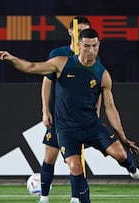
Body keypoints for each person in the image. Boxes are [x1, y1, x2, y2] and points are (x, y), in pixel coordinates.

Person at [0, 28, 139, 203]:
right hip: (66, 129)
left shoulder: (103, 74)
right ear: (78, 46)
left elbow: (110, 108)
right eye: (86, 46)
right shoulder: (61, 63)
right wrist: (12, 59)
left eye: (95, 46)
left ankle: (135, 172)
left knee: (121, 155)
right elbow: (31, 67)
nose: (91, 50)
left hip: (91, 125)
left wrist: (122, 136)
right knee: (75, 166)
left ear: (99, 45)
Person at [40, 16, 93, 203]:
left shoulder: (91, 56)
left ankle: (75, 198)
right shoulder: (58, 53)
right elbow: (47, 83)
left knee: (76, 160)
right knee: (50, 155)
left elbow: (97, 87)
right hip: (59, 117)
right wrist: (46, 110)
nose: (81, 35)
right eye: (79, 31)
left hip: (80, 119)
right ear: (71, 32)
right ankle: (44, 198)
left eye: (85, 31)